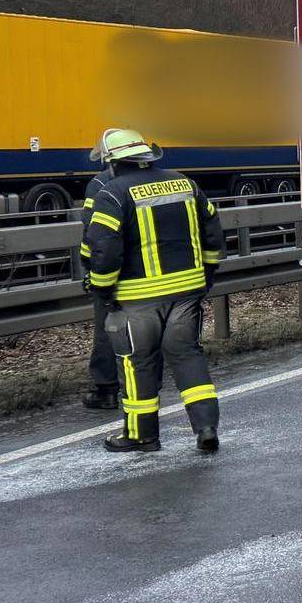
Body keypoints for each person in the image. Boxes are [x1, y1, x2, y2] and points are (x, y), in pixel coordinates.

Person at [80, 129, 224, 454]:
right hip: (187, 292)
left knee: (137, 363)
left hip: (136, 298)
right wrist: (207, 277)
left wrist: (102, 290)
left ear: (112, 163)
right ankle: (206, 428)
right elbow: (213, 231)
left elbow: (102, 248)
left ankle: (142, 436)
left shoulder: (112, 193)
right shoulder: (184, 183)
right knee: (188, 356)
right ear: (147, 157)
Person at [79, 142, 123, 410]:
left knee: (108, 327)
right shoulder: (157, 180)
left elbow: (92, 234)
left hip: (111, 270)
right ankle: (144, 386)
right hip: (150, 273)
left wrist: (91, 270)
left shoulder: (100, 185)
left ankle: (106, 389)